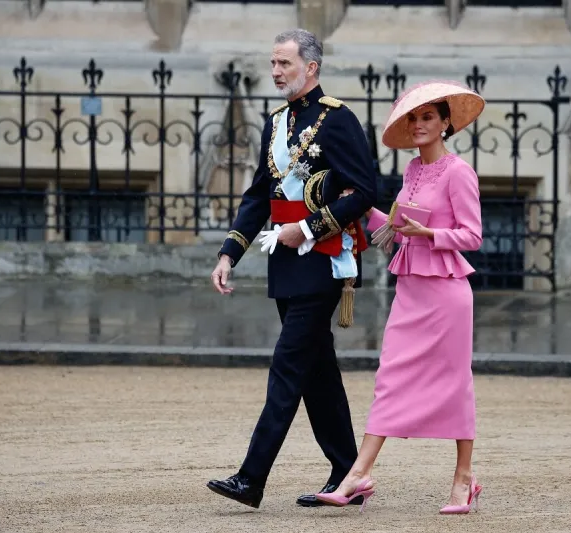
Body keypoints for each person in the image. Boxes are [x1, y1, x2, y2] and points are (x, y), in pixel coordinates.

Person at [206, 28, 377, 509]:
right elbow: (259, 195)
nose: (276, 72)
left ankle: (251, 478)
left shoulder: (338, 120)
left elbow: (366, 191)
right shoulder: (276, 123)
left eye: (284, 63)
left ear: (311, 67)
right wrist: (228, 253)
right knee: (317, 373)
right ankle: (349, 474)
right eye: (274, 63)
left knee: (286, 367)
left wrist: (308, 228)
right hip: (285, 265)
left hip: (323, 261)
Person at [315, 80, 486, 515]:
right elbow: (394, 230)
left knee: (454, 383)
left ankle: (464, 478)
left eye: (428, 117)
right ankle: (358, 474)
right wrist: (357, 206)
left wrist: (428, 233)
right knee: (389, 377)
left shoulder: (459, 172)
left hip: (447, 294)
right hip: (410, 292)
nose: (418, 124)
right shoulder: (411, 171)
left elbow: (472, 236)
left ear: (446, 123)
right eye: (413, 118)